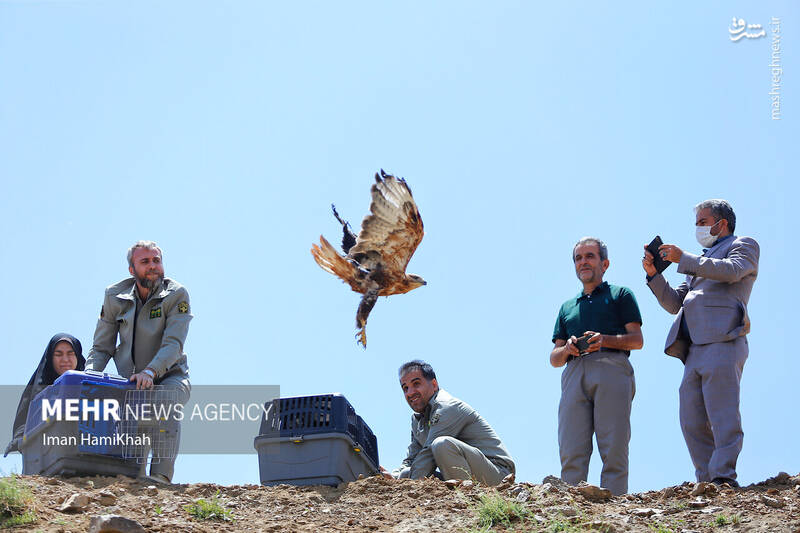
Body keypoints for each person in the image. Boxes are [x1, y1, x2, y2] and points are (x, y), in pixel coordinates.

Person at [643, 199, 758, 487]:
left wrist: (685, 258)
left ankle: (723, 477)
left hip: (723, 339)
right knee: (691, 420)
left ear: (722, 223)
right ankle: (706, 482)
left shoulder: (743, 245)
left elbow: (732, 270)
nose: (699, 228)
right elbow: (674, 303)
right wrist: (654, 275)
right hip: (694, 347)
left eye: (703, 222)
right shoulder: (701, 262)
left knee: (723, 414)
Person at [86, 240, 192, 483]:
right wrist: (89, 375)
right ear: (132, 270)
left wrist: (151, 371)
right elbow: (102, 347)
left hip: (169, 376)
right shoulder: (114, 295)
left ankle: (161, 477)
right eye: (145, 262)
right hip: (131, 383)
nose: (152, 266)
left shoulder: (176, 294)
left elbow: (174, 343)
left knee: (165, 403)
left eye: (156, 260)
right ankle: (135, 479)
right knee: (132, 460)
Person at [550, 237, 643, 495]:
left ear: (605, 263)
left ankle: (614, 504)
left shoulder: (621, 295)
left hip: (612, 367)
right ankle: (571, 507)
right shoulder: (567, 307)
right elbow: (554, 358)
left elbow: (637, 341)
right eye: (579, 258)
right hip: (573, 373)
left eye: (590, 256)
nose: (584, 262)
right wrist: (567, 349)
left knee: (613, 444)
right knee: (571, 447)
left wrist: (605, 339)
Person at [383, 360, 515, 485]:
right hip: (463, 472)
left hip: (497, 474)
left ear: (434, 385)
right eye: (405, 388)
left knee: (442, 444)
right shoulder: (418, 420)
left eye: (416, 384)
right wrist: (393, 478)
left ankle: (466, 500)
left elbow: (428, 455)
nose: (410, 392)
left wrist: (405, 489)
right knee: (406, 474)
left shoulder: (447, 407)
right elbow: (412, 459)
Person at [5, 333, 85, 456]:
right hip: (46, 459)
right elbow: (24, 422)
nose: (65, 359)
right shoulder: (38, 389)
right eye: (58, 354)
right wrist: (19, 439)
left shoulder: (91, 385)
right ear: (50, 357)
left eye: (70, 353)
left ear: (78, 356)